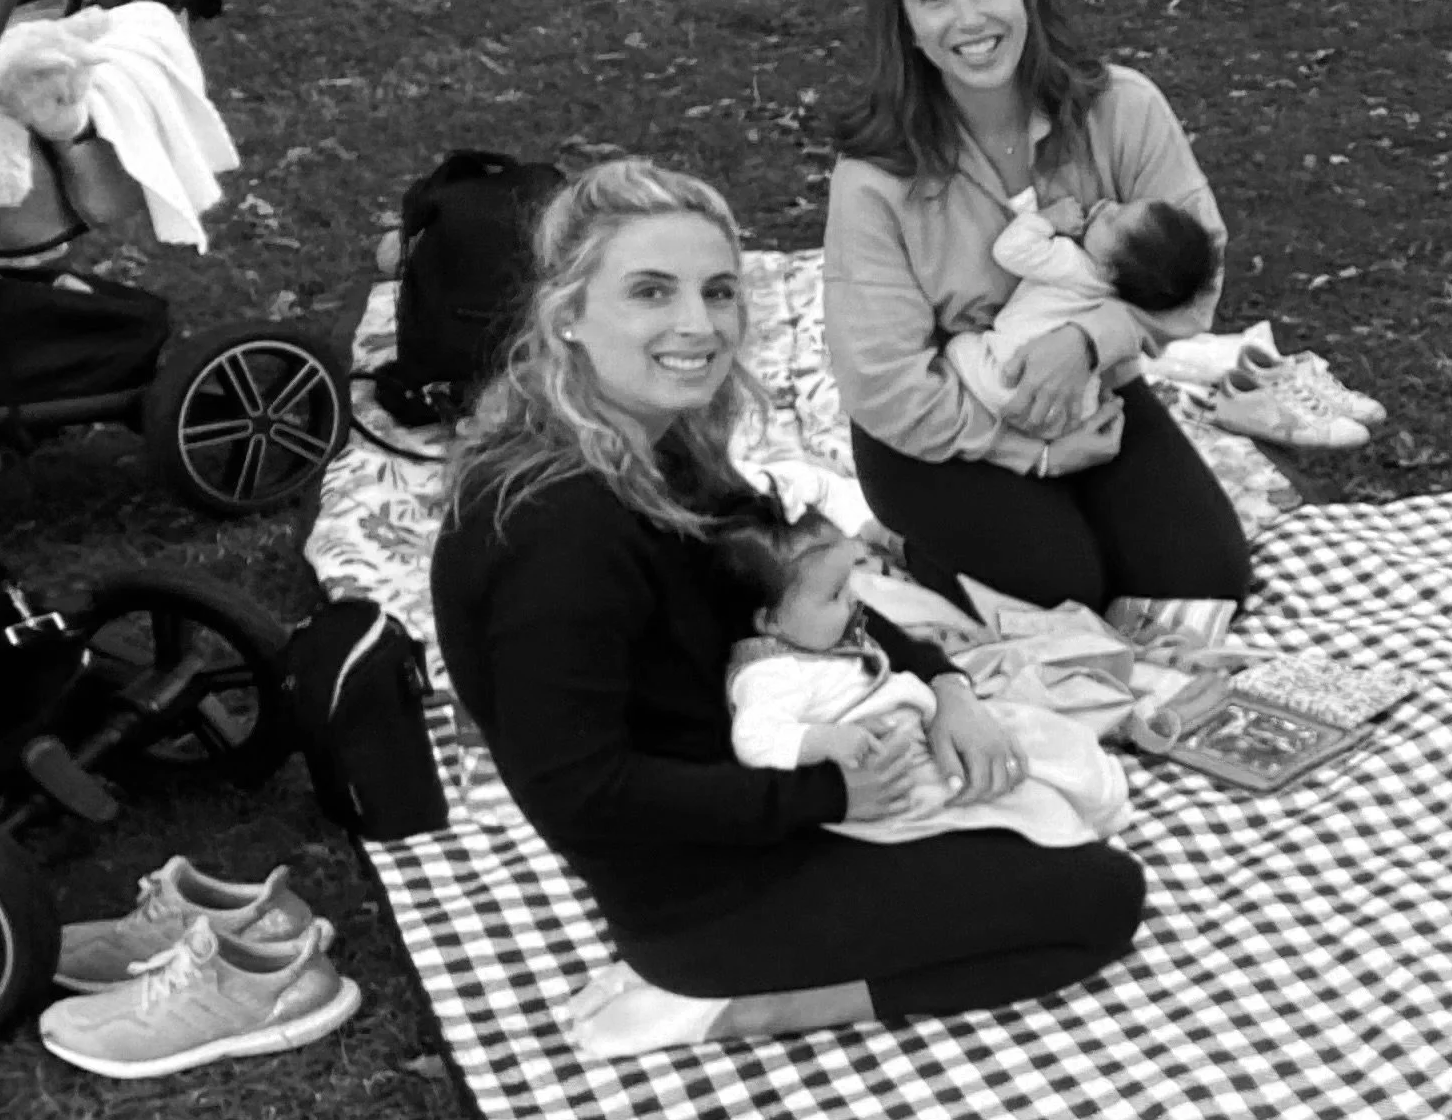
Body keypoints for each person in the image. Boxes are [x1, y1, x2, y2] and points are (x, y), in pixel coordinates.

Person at [431, 156, 1146, 1060]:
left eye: (719, 292)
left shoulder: (654, 444)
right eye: (651, 292)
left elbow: (797, 588)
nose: (699, 325)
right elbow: (576, 792)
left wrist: (946, 686)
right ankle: (746, 1005)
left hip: (760, 783)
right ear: (567, 314)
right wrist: (827, 790)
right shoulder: (558, 529)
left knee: (1065, 803)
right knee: (1099, 900)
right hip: (698, 886)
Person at [823, 0, 1251, 613]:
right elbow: (883, 383)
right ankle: (907, 541)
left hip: (1088, 390)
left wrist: (1089, 340)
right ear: (907, 28)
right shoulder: (875, 178)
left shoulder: (1125, 109)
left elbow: (1195, 276)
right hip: (941, 421)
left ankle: (1068, 517)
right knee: (1060, 588)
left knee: (1202, 578)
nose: (967, 18)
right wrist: (1035, 454)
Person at [722, 508, 1131, 847]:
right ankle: (1075, 831)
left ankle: (1104, 802)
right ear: (769, 622)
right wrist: (824, 741)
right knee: (1021, 801)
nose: (853, 598)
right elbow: (754, 738)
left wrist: (950, 692)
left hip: (922, 724)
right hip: (896, 769)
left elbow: (894, 644)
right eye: (834, 594)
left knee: (1046, 742)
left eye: (850, 582)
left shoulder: (821, 631)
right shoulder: (769, 674)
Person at [944, 187, 1220, 436]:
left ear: (1108, 268)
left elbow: (1009, 251)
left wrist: (1047, 219)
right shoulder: (1120, 296)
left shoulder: (1071, 263)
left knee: (958, 345)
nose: (1109, 204)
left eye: (1113, 218)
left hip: (1005, 380)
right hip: (1068, 412)